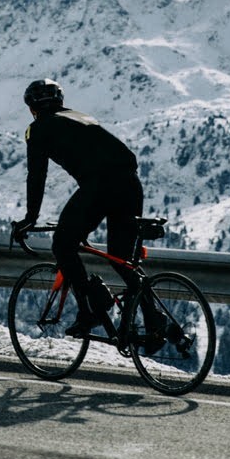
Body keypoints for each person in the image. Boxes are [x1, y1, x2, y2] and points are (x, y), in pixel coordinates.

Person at [11, 78, 143, 336]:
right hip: (130, 184)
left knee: (62, 244)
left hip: (99, 186)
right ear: (60, 101)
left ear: (31, 108)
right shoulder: (81, 117)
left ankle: (90, 310)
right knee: (122, 258)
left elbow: (37, 176)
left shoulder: (37, 129)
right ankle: (155, 318)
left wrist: (30, 217)